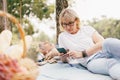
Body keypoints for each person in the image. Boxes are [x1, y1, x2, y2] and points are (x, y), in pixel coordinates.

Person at [46, 8, 120, 80]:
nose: (68, 27)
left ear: (76, 21)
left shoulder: (87, 29)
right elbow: (64, 60)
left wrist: (82, 53)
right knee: (112, 63)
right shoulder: (62, 37)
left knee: (108, 42)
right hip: (91, 61)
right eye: (64, 24)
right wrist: (63, 56)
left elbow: (102, 43)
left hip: (104, 52)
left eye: (71, 23)